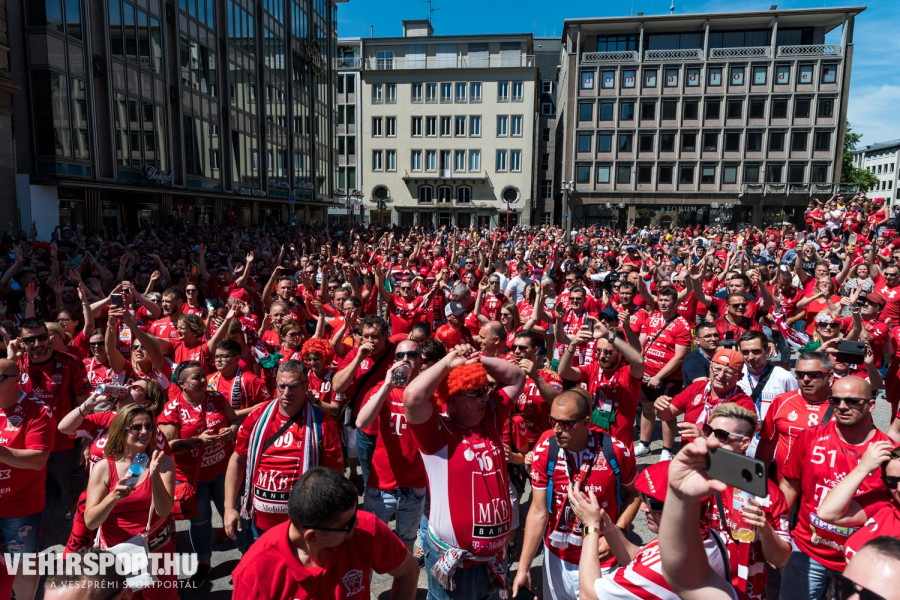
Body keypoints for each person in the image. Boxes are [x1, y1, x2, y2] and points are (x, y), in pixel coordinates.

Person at [657, 435, 900, 600]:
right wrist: (679, 496)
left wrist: (766, 530)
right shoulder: (885, 508)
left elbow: (689, 579)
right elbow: (688, 579)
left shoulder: (769, 495)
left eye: (872, 597)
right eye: (843, 588)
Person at [402, 344, 525, 599]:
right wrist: (448, 362)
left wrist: (478, 359)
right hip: (457, 565)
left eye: (485, 390)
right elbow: (412, 396)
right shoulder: (436, 432)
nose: (484, 399)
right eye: (476, 393)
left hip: (495, 558)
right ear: (453, 398)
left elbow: (517, 377)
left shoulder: (490, 416)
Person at [513, 389, 639, 600]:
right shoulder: (545, 450)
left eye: (565, 424)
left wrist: (617, 533)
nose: (556, 430)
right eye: (552, 421)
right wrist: (523, 568)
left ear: (586, 422)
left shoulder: (615, 450)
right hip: (557, 559)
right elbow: (538, 511)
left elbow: (634, 495)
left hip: (603, 560)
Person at [778, 375, 893, 599]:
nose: (842, 406)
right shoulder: (810, 437)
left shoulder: (888, 453)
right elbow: (790, 485)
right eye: (835, 400)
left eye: (852, 401)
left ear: (871, 405)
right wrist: (777, 533)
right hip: (806, 551)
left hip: (857, 560)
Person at [231, 467, 419, 599]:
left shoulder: (367, 528)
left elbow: (408, 572)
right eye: (348, 524)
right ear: (312, 536)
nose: (357, 523)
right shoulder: (254, 573)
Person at [224, 360, 343, 542]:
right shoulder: (257, 416)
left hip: (303, 524)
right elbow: (238, 459)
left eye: (293, 386)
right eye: (282, 386)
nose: (286, 393)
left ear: (305, 386)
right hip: (260, 523)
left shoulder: (323, 423)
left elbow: (335, 475)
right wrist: (229, 508)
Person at [156, 361, 241, 585]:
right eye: (197, 378)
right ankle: (204, 564)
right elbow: (167, 446)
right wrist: (196, 441)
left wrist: (232, 430)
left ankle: (249, 560)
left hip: (223, 473)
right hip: (193, 480)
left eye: (204, 375)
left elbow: (234, 420)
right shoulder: (173, 409)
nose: (204, 380)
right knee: (201, 522)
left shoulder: (217, 398)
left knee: (234, 516)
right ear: (182, 384)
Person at [83, 404, 177, 599]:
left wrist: (155, 478)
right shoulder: (104, 468)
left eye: (149, 426)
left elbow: (164, 510)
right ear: (121, 430)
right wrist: (112, 497)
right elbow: (91, 522)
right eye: (137, 427)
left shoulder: (164, 462)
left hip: (156, 550)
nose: (145, 432)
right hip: (118, 554)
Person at [702, 403, 792, 599]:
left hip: (742, 589)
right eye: (708, 431)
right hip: (693, 584)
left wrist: (765, 528)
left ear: (744, 443)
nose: (710, 441)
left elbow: (780, 559)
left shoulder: (767, 493)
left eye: (721, 435)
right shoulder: (693, 476)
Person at [0, 358, 53, 600]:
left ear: (15, 380)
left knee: (23, 563)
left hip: (19, 506)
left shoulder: (37, 410)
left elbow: (37, 459)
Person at [654, 348, 756, 447]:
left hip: (718, 457)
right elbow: (667, 415)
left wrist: (704, 437)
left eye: (728, 372)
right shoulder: (697, 388)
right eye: (717, 369)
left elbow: (739, 445)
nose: (721, 375)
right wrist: (661, 407)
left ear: (740, 377)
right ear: (710, 367)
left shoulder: (743, 404)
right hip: (688, 453)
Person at [817, 443, 900, 560]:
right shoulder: (885, 501)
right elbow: (827, 513)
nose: (899, 488)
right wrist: (863, 468)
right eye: (891, 481)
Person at [756, 352, 834, 472]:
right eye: (800, 375)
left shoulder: (844, 405)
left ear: (830, 376)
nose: (806, 379)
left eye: (814, 375)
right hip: (784, 480)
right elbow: (767, 442)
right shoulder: (781, 401)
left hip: (824, 481)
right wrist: (758, 476)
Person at [735, 331, 798, 456]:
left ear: (767, 351)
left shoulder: (783, 377)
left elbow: (796, 407)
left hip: (774, 447)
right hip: (743, 446)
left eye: (756, 351)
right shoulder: (735, 376)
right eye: (745, 352)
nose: (750, 357)